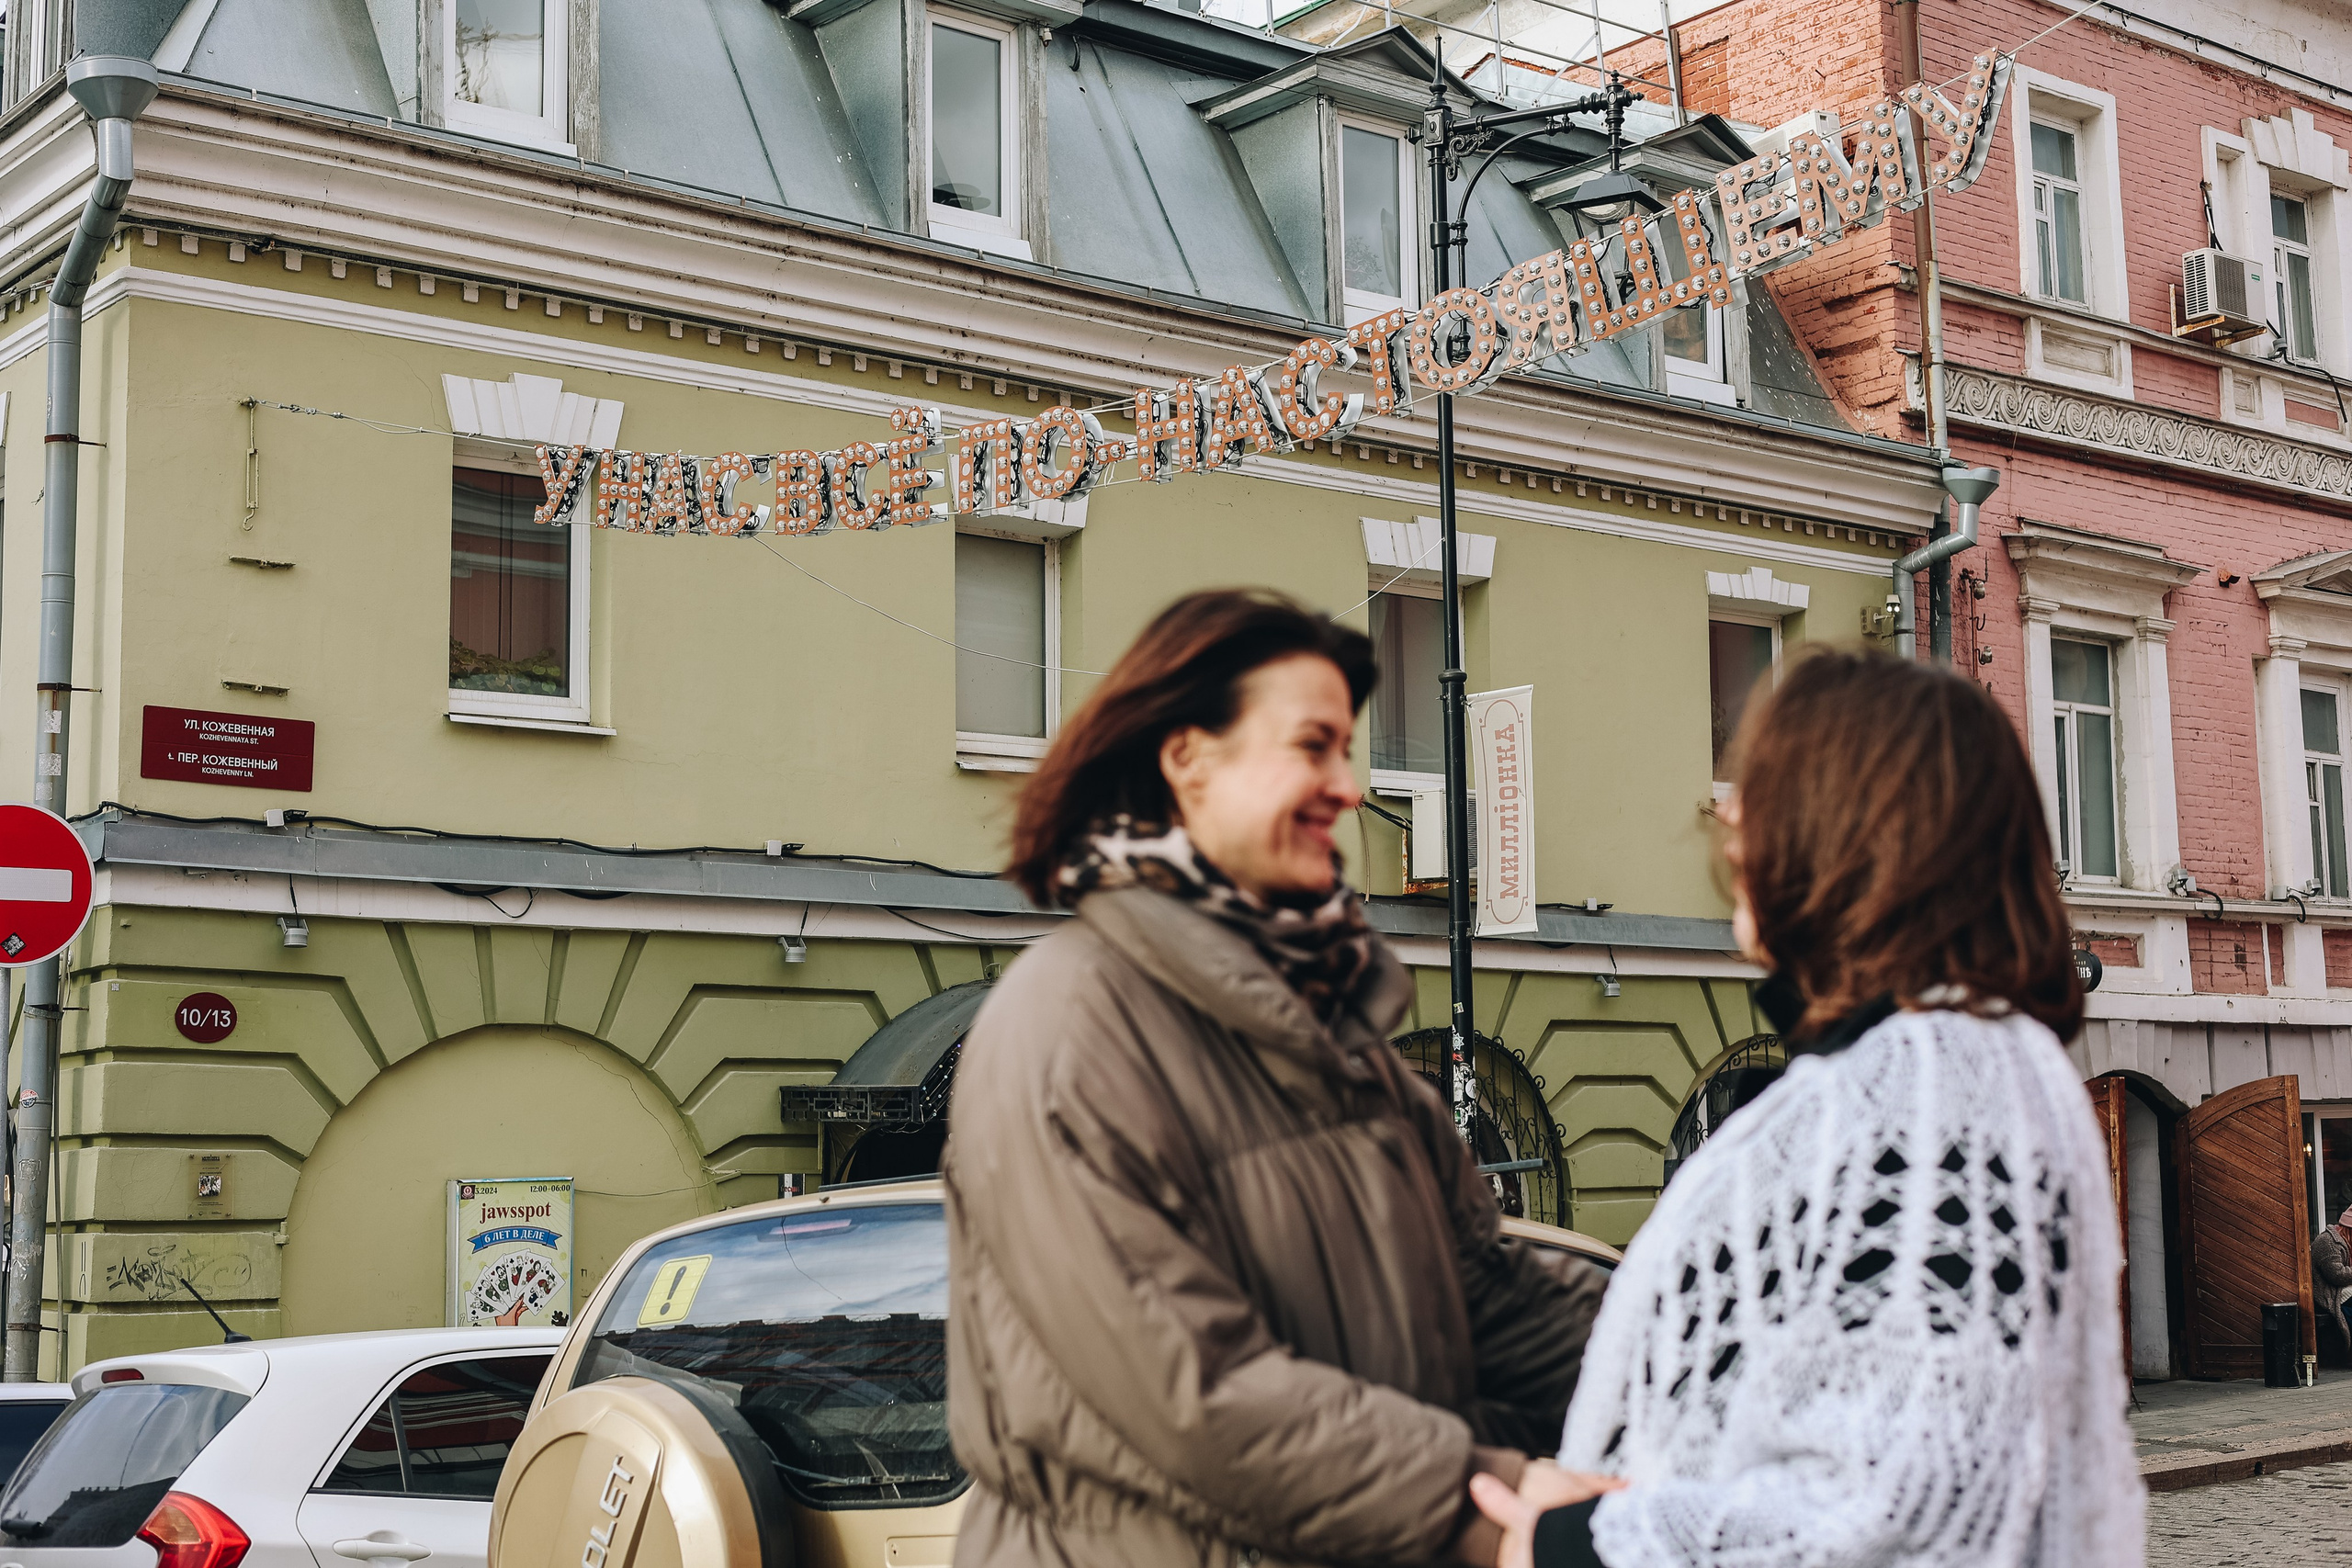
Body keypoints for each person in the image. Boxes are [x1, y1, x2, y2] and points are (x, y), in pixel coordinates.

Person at [944, 588, 1605, 1568]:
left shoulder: (1329, 1026)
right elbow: (1194, 1398)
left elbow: (1477, 1294)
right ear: (1188, 759)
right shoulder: (1071, 1028)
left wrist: (1700, 1356)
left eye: (1349, 749)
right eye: (1313, 746)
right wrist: (1498, 1510)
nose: (1348, 785)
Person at [1467, 648, 2144, 1568]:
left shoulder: (1928, 1093)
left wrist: (1568, 1540)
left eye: (1761, 787)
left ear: (1843, 828)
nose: (1729, 814)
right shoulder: (1953, 1066)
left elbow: (1896, 1504)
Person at [2316, 1205, 2352, 1362]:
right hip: (2329, 1293)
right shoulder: (2329, 1242)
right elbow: (2337, 1276)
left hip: (2343, 1290)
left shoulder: (2346, 1241)